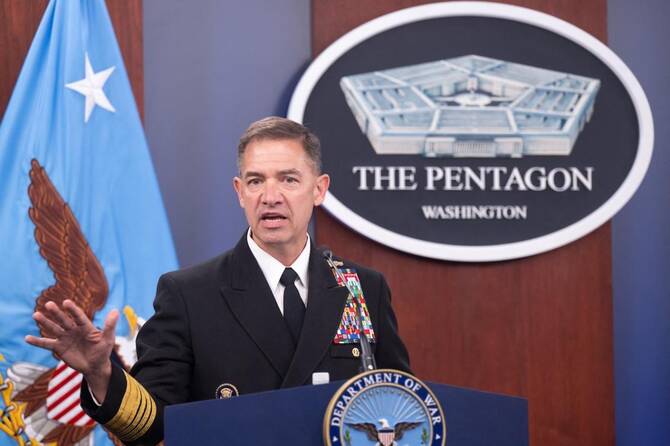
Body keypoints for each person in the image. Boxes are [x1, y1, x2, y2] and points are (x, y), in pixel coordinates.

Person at [26, 116, 410, 445]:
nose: (270, 196)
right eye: (256, 181)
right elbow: (151, 428)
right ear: (239, 192)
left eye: (289, 179)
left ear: (319, 189)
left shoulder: (362, 288)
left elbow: (401, 407)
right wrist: (102, 374)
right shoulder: (189, 295)